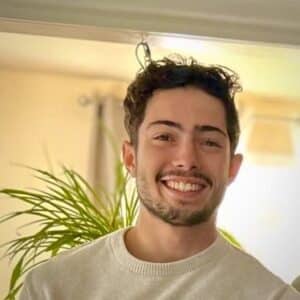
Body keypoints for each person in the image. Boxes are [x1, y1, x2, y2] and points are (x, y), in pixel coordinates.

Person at [19, 56, 300, 300]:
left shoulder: (270, 295)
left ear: (232, 168)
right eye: (164, 137)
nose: (187, 159)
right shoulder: (52, 287)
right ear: (130, 158)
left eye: (210, 142)